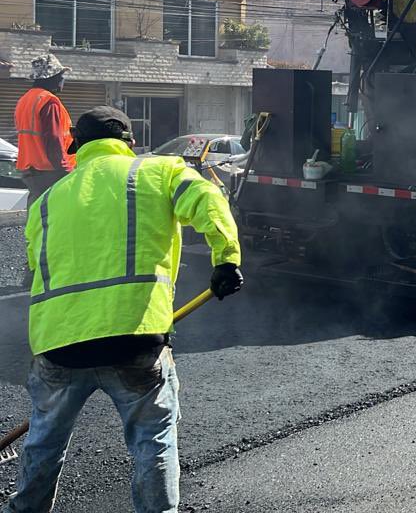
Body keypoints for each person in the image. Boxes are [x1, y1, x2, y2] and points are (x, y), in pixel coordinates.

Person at [4, 107, 244, 513]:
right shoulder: (158, 172)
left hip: (58, 346)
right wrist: (226, 259)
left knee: (44, 440)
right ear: (130, 143)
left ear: (75, 145)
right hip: (135, 338)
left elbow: (36, 267)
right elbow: (208, 199)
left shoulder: (46, 202)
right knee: (154, 440)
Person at [14, 54, 76, 203]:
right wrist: (66, 171)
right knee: (54, 216)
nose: (63, 79)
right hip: (50, 171)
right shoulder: (49, 102)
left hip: (31, 170)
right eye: (61, 75)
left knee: (37, 213)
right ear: (52, 76)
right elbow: (53, 139)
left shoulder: (25, 100)